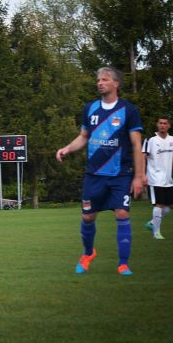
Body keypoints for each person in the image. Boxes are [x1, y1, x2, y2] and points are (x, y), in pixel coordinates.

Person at [56, 67, 145, 276]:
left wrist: (139, 176)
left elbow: (136, 145)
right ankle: (88, 253)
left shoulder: (128, 110)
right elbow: (84, 137)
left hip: (120, 174)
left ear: (116, 84)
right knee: (88, 217)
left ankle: (123, 264)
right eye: (98, 80)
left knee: (122, 213)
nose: (99, 83)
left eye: (104, 79)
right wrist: (68, 148)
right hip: (94, 174)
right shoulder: (90, 108)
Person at [142, 116, 173, 239]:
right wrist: (142, 174)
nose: (162, 125)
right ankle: (156, 233)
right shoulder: (151, 140)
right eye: (160, 123)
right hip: (155, 177)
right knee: (159, 204)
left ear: (169, 126)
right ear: (157, 125)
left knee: (172, 205)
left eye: (165, 123)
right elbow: (143, 157)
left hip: (168, 179)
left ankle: (152, 223)